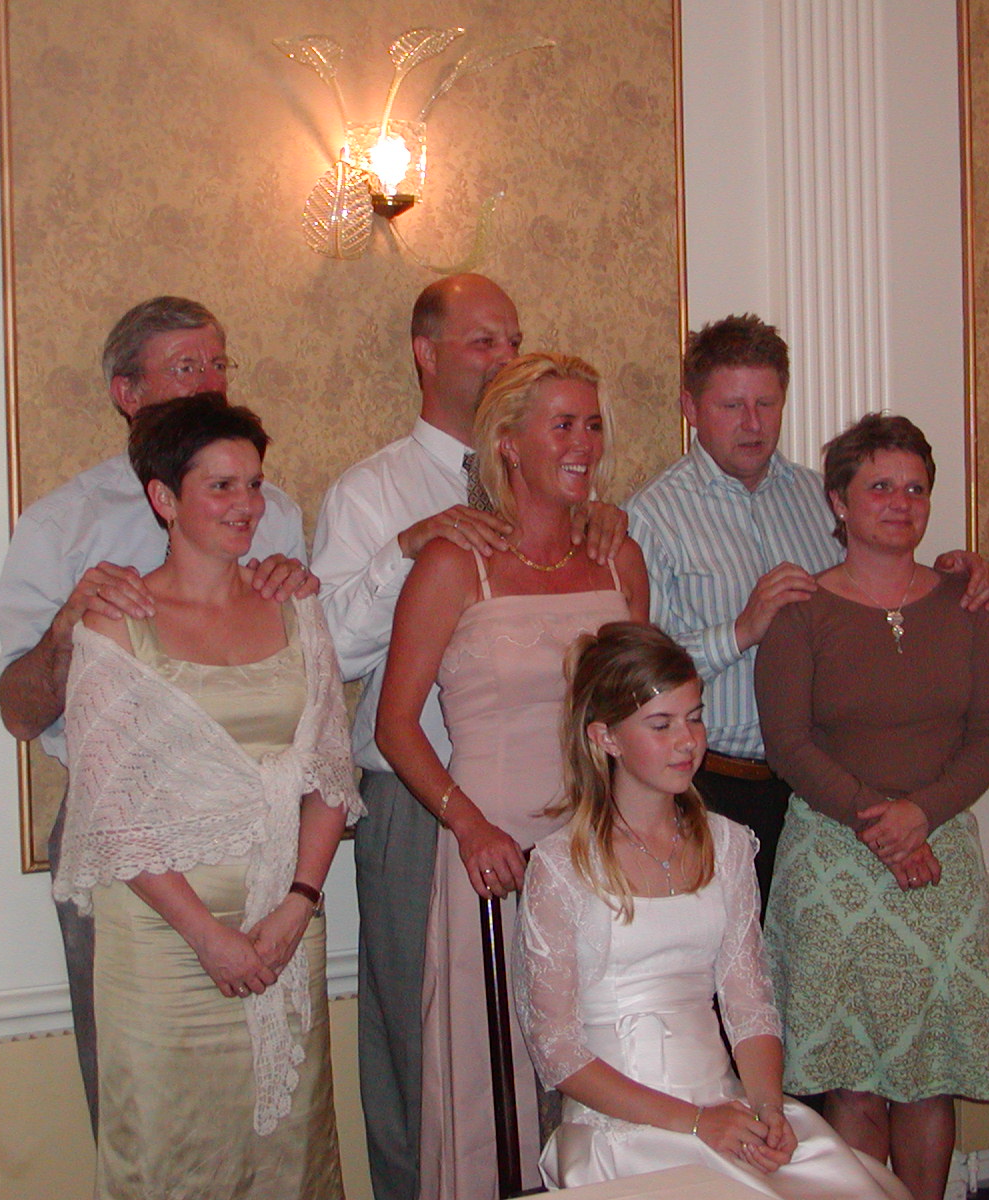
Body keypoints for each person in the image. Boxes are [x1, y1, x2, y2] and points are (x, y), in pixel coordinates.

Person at [311, 274, 624, 1200]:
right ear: (427, 354)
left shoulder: (586, 523)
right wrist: (407, 549)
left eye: (513, 340)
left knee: (574, 1039)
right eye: (484, 341)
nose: (502, 356)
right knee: (431, 1048)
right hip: (429, 807)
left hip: (577, 816)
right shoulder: (375, 491)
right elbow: (330, 652)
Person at [0, 295, 311, 1124]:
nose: (208, 382)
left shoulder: (272, 511)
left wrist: (295, 590)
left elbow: (309, 696)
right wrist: (68, 626)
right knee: (146, 1099)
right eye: (184, 367)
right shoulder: (63, 524)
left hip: (261, 840)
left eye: (218, 363)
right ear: (125, 393)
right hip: (125, 833)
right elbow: (18, 712)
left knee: (270, 1094)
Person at [51, 395, 361, 1199]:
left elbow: (329, 775)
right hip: (164, 942)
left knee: (287, 1154)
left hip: (283, 925)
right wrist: (207, 937)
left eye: (254, 484)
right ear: (164, 498)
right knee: (169, 1152)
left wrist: (299, 904)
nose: (246, 505)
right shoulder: (115, 624)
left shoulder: (296, 606)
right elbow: (112, 812)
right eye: (220, 486)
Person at [374, 351, 650, 1200]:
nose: (584, 443)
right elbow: (394, 726)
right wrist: (467, 824)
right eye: (561, 425)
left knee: (607, 1063)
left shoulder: (618, 558)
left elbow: (645, 716)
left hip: (603, 851)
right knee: (493, 1080)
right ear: (506, 442)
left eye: (592, 424)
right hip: (493, 853)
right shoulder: (454, 563)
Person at [514, 621, 911, 1200]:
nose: (688, 741)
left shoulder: (726, 845)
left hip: (726, 1105)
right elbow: (557, 1051)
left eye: (695, 718)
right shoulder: (561, 866)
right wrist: (698, 1123)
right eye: (662, 724)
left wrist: (768, 1109)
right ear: (606, 738)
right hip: (624, 1127)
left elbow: (749, 1003)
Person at [627, 315, 989, 914]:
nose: (753, 423)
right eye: (731, 406)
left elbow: (877, 591)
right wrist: (740, 631)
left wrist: (959, 570)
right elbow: (637, 681)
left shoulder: (819, 496)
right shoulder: (652, 516)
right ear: (690, 408)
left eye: (766, 404)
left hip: (822, 796)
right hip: (705, 784)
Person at [755, 413, 989, 1200]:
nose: (900, 503)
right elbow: (788, 744)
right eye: (880, 487)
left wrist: (920, 815)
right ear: (838, 501)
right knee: (854, 1080)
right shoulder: (800, 610)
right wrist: (883, 822)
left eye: (915, 488)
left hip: (941, 860)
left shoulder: (968, 601)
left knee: (930, 1076)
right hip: (835, 861)